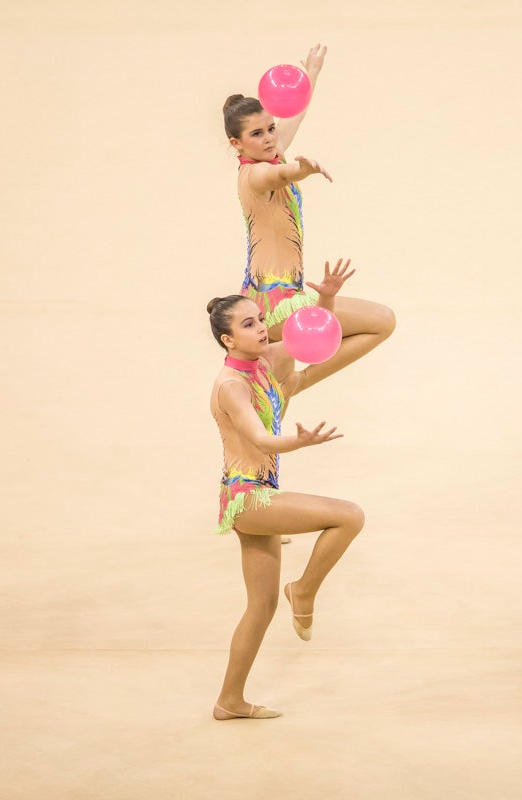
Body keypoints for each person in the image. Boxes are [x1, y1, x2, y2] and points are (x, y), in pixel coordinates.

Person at [208, 259, 370, 720]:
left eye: (259, 319)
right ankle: (303, 591)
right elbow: (259, 439)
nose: (262, 328)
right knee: (349, 515)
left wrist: (327, 300)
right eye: (248, 324)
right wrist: (296, 442)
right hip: (250, 498)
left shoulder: (266, 366)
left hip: (250, 494)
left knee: (259, 608)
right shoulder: (231, 386)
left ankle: (229, 701)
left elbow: (313, 344)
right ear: (227, 339)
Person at [222, 44, 394, 347]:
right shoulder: (255, 175)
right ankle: (299, 380)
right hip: (275, 304)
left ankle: (291, 380)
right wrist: (301, 171)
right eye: (257, 134)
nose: (269, 138)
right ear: (236, 143)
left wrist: (312, 71)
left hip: (285, 294)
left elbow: (295, 114)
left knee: (379, 323)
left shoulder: (273, 152)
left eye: (270, 128)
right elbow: (279, 175)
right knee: (382, 321)